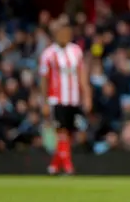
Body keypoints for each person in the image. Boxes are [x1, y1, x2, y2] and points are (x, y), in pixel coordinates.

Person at [39, 20, 92, 175]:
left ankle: (54, 165)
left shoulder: (76, 51)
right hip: (57, 98)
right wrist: (45, 102)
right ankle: (68, 166)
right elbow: (44, 80)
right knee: (61, 131)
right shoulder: (48, 54)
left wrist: (86, 96)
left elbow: (82, 75)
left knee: (70, 133)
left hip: (74, 99)